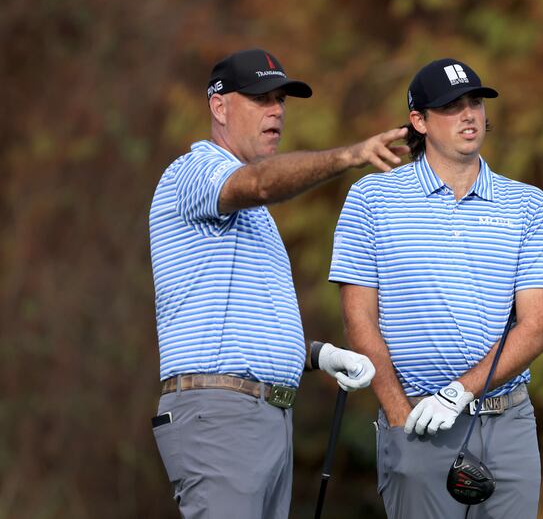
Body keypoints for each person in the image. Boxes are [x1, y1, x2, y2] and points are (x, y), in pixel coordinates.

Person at [149, 48, 409, 519]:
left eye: (281, 100)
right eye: (260, 98)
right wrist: (350, 155)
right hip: (221, 415)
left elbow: (244, 323)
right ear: (219, 106)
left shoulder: (253, 217)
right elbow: (261, 183)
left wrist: (318, 355)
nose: (276, 111)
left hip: (262, 418)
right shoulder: (193, 172)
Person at [329, 58, 543, 518]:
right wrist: (398, 418)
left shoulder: (529, 204)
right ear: (419, 120)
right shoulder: (370, 199)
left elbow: (536, 327)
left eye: (474, 102)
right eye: (452, 106)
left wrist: (460, 392)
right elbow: (360, 321)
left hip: (507, 423)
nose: (469, 115)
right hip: (416, 424)